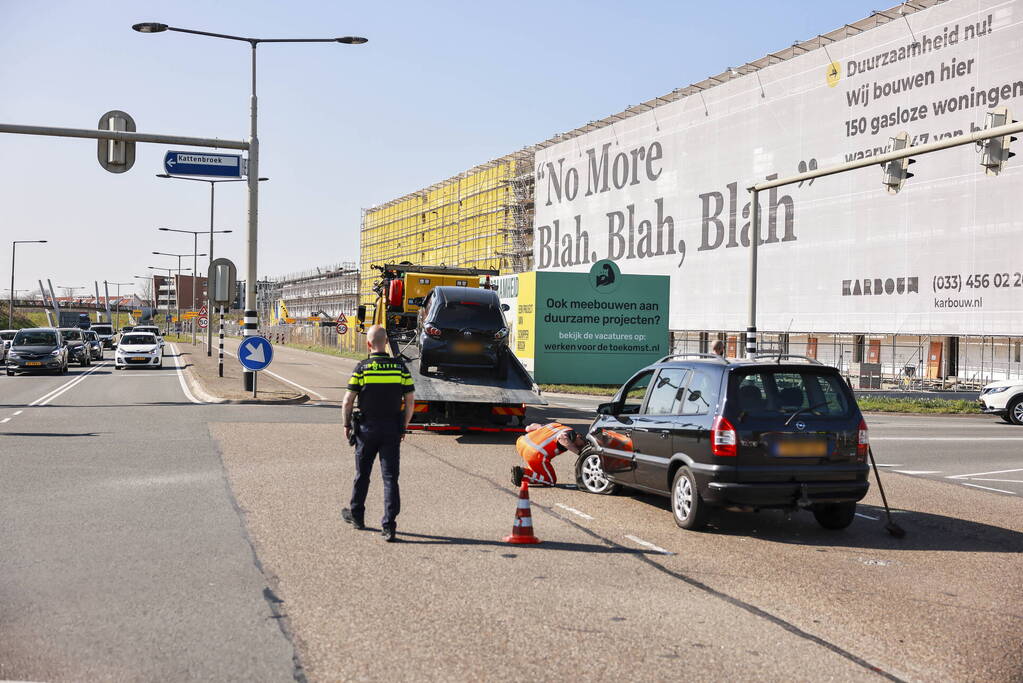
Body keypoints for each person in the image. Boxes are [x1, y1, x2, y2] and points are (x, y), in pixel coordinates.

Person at [341, 324, 416, 542]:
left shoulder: (362, 368)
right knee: (390, 478)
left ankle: (357, 516)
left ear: (368, 344)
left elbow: (347, 401)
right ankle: (389, 526)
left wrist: (346, 425)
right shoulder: (400, 368)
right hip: (392, 428)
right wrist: (404, 425)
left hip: (366, 430)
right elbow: (410, 401)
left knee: (362, 474)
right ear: (386, 343)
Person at [511, 422, 587, 487]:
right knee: (550, 480)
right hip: (534, 453)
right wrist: (579, 453)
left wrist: (532, 430)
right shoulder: (571, 434)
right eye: (582, 444)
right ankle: (522, 474)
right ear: (579, 436)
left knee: (537, 469)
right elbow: (562, 438)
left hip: (521, 443)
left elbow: (529, 428)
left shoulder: (556, 425)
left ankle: (530, 471)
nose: (581, 447)